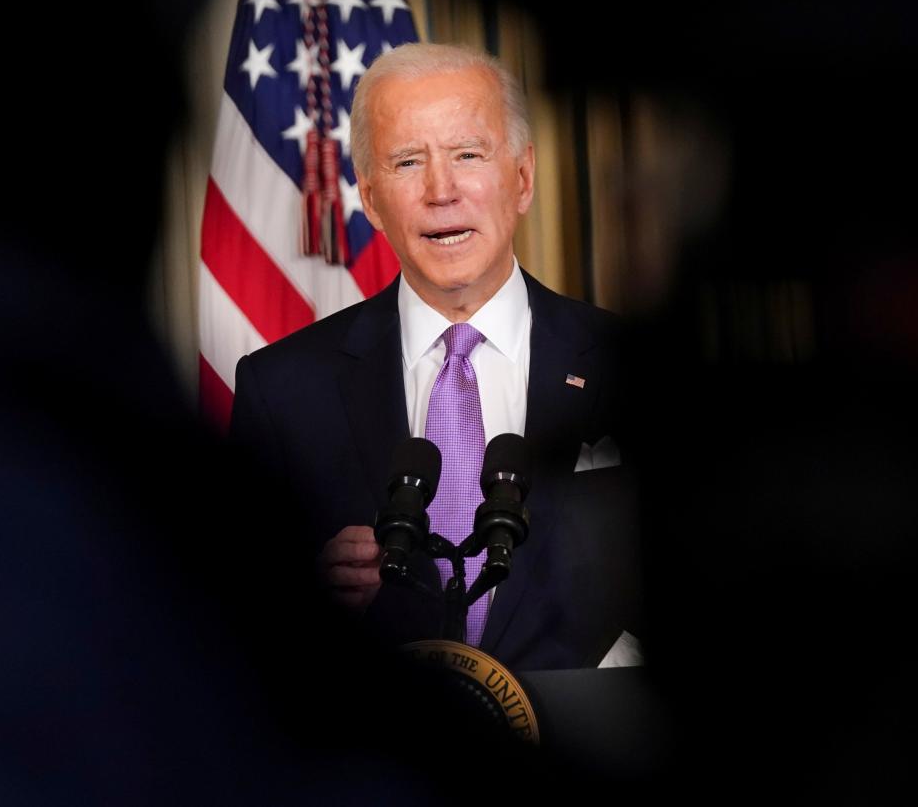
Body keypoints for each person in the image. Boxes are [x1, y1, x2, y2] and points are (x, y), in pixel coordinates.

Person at [229, 43, 640, 672]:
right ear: (369, 197)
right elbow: (226, 638)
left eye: (468, 155)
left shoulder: (633, 369)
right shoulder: (281, 389)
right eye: (407, 162)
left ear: (522, 178)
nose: (440, 190)